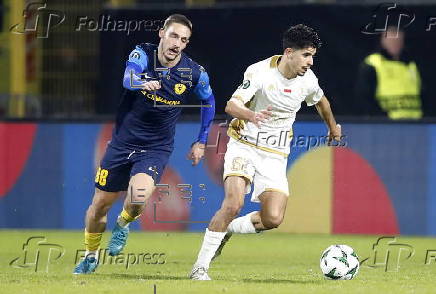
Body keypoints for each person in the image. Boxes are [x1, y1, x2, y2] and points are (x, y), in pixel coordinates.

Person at [189, 24, 341, 280]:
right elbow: (231, 105)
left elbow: (322, 102)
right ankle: (199, 268)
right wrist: (251, 115)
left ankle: (228, 230)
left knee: (273, 218)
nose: (310, 62)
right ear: (289, 52)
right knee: (233, 204)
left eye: (313, 55)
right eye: (306, 55)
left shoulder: (309, 80)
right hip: (244, 145)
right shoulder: (259, 72)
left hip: (275, 155)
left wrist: (332, 126)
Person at [73, 14, 216, 274]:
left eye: (184, 40)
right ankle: (90, 256)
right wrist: (142, 82)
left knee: (139, 197)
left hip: (156, 148)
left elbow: (209, 101)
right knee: (98, 206)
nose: (177, 44)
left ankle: (123, 223)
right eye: (174, 36)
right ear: (162, 33)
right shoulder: (142, 54)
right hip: (121, 144)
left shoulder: (193, 72)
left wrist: (201, 141)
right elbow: (128, 79)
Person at [355, 26, 422, 119]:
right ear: (383, 41)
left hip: (416, 122)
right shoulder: (373, 63)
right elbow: (364, 97)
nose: (395, 44)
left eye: (398, 41)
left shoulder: (411, 64)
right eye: (391, 41)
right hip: (387, 125)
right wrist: (380, 118)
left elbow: (423, 94)